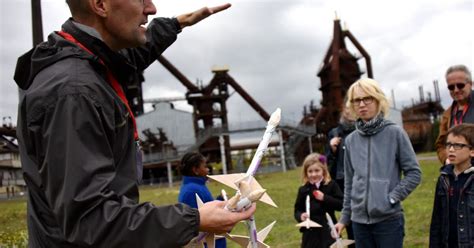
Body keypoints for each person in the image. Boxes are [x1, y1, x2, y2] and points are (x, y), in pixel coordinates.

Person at [13, 1, 256, 247]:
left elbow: (129, 57)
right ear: (100, 5)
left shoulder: (85, 64)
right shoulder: (74, 94)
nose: (152, 9)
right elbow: (90, 221)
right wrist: (194, 220)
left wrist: (177, 24)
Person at [333, 78, 422, 248]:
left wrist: (391, 198)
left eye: (367, 98)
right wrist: (344, 218)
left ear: (378, 100)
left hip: (388, 221)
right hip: (359, 224)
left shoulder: (395, 133)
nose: (362, 104)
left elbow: (414, 173)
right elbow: (349, 183)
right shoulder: (350, 140)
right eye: (357, 100)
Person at [429, 123, 474, 248]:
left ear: (472, 151)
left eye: (458, 145)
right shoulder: (444, 178)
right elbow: (437, 220)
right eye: (448, 145)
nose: (451, 149)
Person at [294, 153, 343, 248]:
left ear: (323, 171)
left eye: (317, 170)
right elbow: (297, 209)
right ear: (306, 172)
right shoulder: (303, 190)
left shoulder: (331, 185)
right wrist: (301, 216)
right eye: (310, 171)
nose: (313, 174)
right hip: (310, 234)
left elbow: (341, 204)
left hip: (329, 231)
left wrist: (325, 198)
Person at [178, 152, 226, 248]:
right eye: (205, 166)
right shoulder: (191, 191)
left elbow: (206, 209)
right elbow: (199, 223)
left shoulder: (197, 186)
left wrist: (219, 200)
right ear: (195, 170)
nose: (208, 169)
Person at [325, 105, 356, 247]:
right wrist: (332, 148)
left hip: (359, 177)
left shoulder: (360, 131)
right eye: (347, 110)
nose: (349, 112)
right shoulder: (334, 133)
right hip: (341, 179)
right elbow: (327, 161)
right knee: (348, 214)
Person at [435, 65, 474, 164]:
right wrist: (447, 160)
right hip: (460, 174)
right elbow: (440, 144)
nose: (456, 90)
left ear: (471, 84)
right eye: (451, 87)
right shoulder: (447, 114)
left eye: (460, 85)